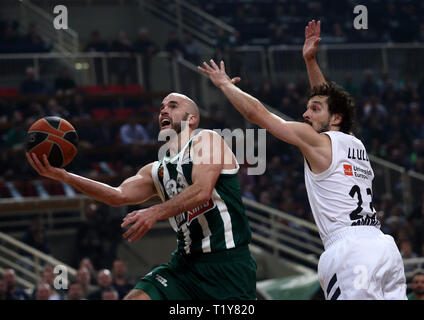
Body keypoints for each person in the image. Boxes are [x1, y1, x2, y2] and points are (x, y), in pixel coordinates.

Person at [198, 20, 407, 300]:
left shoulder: (317, 140)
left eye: (313, 109)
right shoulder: (354, 143)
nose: (305, 115)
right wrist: (311, 61)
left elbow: (257, 114)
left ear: (335, 118)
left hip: (349, 249)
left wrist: (225, 84)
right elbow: (329, 102)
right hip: (383, 248)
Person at [26, 92, 257, 300]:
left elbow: (202, 190)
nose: (164, 110)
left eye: (173, 106)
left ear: (191, 119)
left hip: (228, 264)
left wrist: (154, 212)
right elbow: (117, 195)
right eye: (162, 108)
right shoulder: (156, 170)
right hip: (185, 265)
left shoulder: (207, 140)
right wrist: (66, 177)